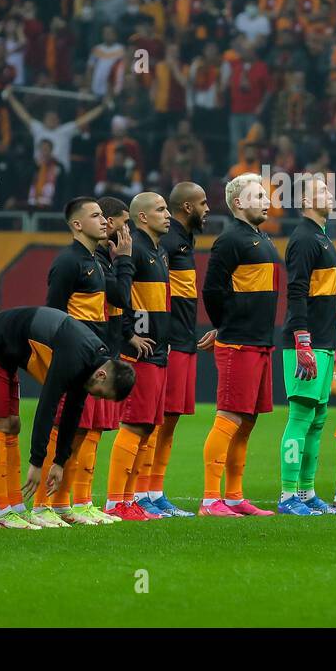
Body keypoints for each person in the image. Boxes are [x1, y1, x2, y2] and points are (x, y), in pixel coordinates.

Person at [36, 195, 133, 526]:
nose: (104, 220)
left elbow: (121, 297)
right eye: (96, 215)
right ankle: (41, 504)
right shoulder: (68, 262)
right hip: (74, 361)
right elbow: (52, 314)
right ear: (77, 224)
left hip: (95, 359)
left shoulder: (96, 261)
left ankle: (71, 502)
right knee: (63, 430)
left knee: (86, 432)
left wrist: (122, 260)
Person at [0, 307, 136, 506]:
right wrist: (36, 463)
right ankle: (0, 510)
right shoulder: (74, 357)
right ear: (102, 376)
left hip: (9, 352)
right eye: (102, 394)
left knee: (12, 425)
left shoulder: (93, 361)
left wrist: (59, 462)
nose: (97, 399)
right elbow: (47, 406)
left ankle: (15, 507)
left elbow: (72, 413)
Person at [199, 173, 281, 517]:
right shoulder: (229, 240)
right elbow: (212, 291)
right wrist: (224, 326)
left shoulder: (261, 237)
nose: (266, 200)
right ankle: (209, 500)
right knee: (229, 417)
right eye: (258, 195)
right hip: (239, 344)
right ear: (237, 203)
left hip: (261, 341)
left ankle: (233, 496)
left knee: (247, 421)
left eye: (266, 194)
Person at [278, 176, 336, 515]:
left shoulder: (321, 237)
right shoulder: (304, 239)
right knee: (301, 416)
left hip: (322, 340)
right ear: (304, 200)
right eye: (321, 191)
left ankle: (305, 492)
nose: (330, 195)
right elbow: (296, 290)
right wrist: (302, 340)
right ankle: (287, 494)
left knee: (318, 418)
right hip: (304, 341)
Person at [105, 191, 173, 520]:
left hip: (158, 351)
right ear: (142, 217)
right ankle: (115, 501)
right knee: (134, 424)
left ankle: (130, 499)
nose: (168, 214)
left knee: (147, 427)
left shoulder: (158, 251)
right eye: (161, 209)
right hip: (139, 354)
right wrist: (129, 334)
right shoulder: (136, 249)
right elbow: (122, 295)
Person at [153, 181, 213, 517]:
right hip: (171, 340)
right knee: (157, 418)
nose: (207, 209)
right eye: (203, 203)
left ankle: (154, 491)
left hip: (184, 339)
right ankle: (139, 493)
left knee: (170, 418)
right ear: (187, 207)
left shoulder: (183, 241)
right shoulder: (169, 241)